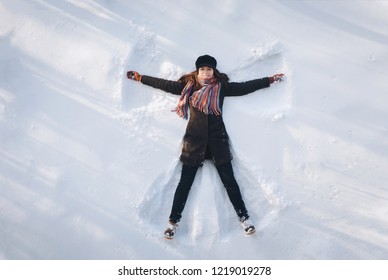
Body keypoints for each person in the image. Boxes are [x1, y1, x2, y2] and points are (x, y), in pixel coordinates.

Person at [127, 54, 284, 239]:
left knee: (230, 182)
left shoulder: (221, 87)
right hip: (194, 142)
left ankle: (245, 220)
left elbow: (244, 87)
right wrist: (141, 78)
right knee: (184, 184)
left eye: (209, 69)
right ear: (198, 71)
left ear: (214, 71)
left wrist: (268, 80)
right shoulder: (189, 87)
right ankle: (172, 223)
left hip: (218, 142)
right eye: (203, 69)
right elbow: (165, 84)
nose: (206, 72)